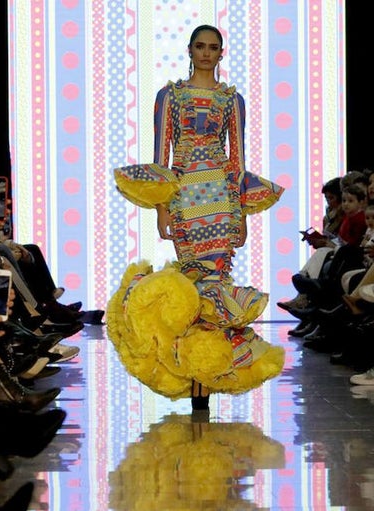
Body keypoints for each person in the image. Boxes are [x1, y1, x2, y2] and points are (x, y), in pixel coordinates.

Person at [110, 24, 284, 413]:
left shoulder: (231, 100)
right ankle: (192, 377)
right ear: (190, 50)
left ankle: (206, 377)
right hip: (186, 196)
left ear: (222, 53)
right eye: (200, 46)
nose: (206, 53)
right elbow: (161, 157)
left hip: (222, 199)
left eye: (214, 48)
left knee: (217, 281)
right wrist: (161, 209)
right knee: (193, 285)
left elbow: (237, 158)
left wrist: (242, 217)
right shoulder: (169, 97)